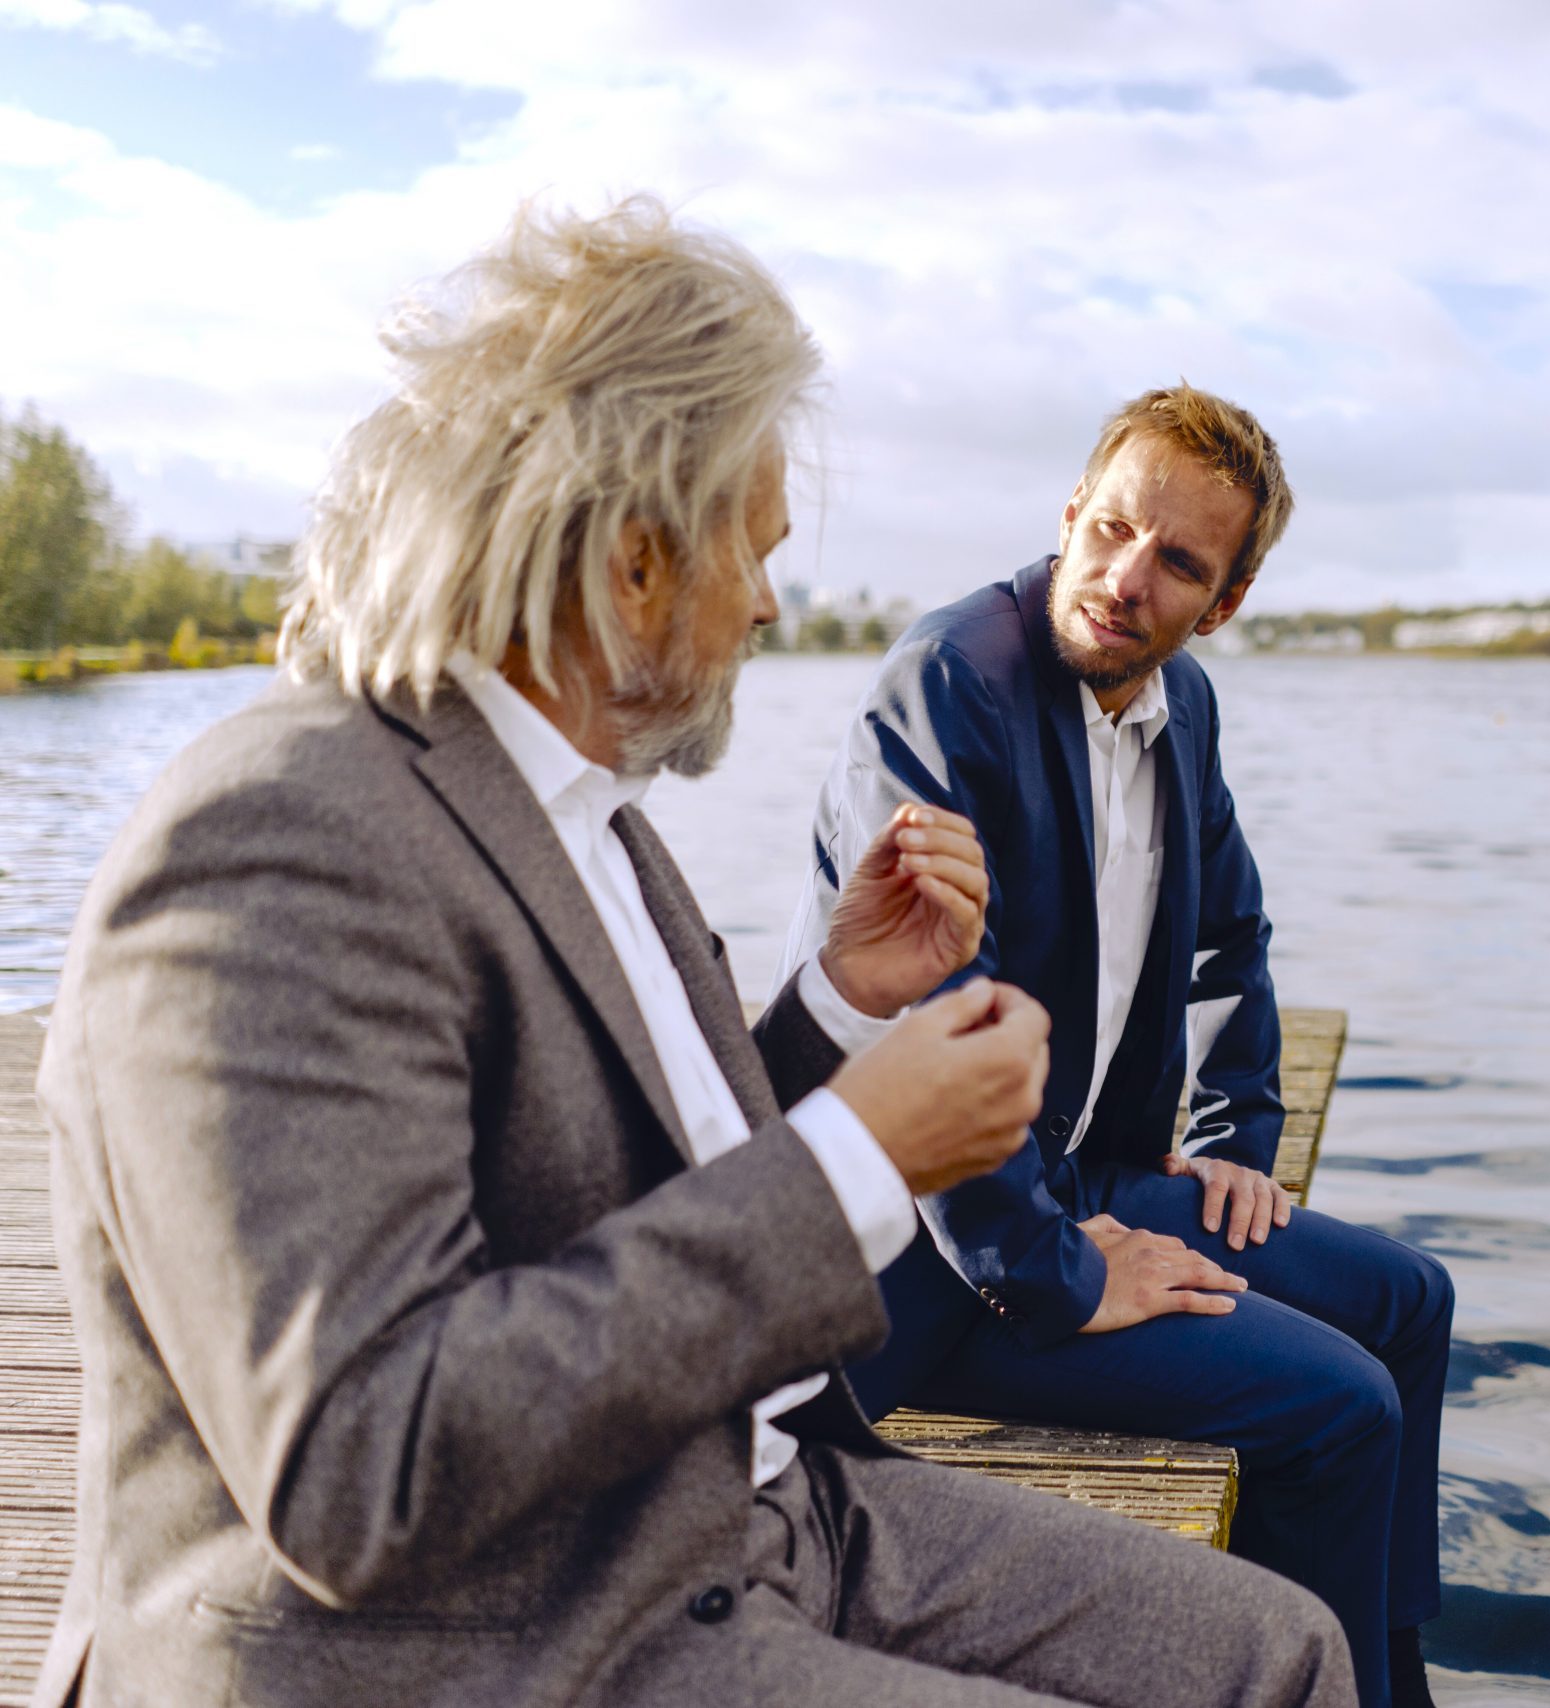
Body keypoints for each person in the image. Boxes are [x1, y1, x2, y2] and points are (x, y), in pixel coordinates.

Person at [32, 201, 1353, 1708]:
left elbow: (632, 1174)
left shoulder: (597, 825)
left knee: (1288, 1657)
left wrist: (840, 1010)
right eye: (758, 547)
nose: (773, 605)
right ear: (638, 556)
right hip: (499, 1628)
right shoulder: (276, 846)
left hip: (756, 1504)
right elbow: (364, 1468)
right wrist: (863, 1153)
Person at [772, 386, 1453, 1708]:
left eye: (1179, 563)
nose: (1126, 579)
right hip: (935, 1256)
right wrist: (1064, 1274)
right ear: (1071, 512)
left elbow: (1229, 936)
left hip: (1089, 1172)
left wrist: (1233, 1138)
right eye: (1114, 530)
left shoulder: (1180, 709)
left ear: (1225, 601)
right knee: (1339, 1408)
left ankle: (1394, 1682)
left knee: (1411, 1304)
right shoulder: (951, 681)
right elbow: (928, 1020)